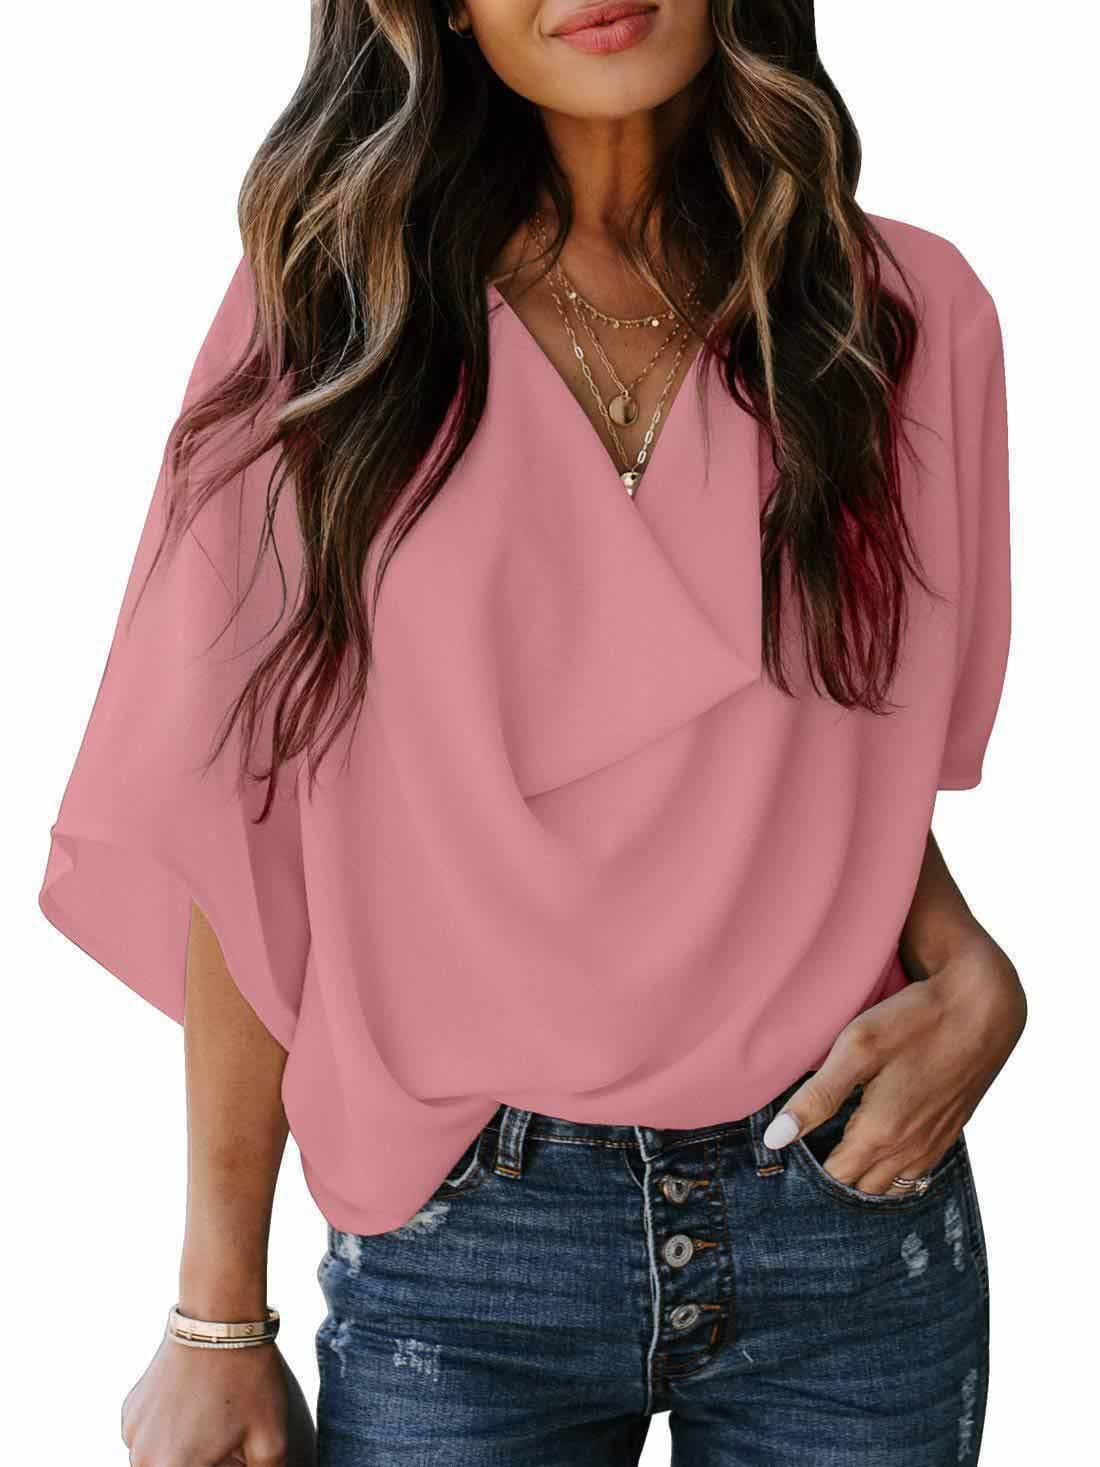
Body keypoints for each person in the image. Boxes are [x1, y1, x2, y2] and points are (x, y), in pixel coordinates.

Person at [38, 2, 1026, 1463]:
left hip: (848, 1201)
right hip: (464, 1238)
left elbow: (828, 767)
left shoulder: (901, 316)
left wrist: (973, 969)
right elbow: (247, 831)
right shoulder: (335, 316)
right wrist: (215, 1316)